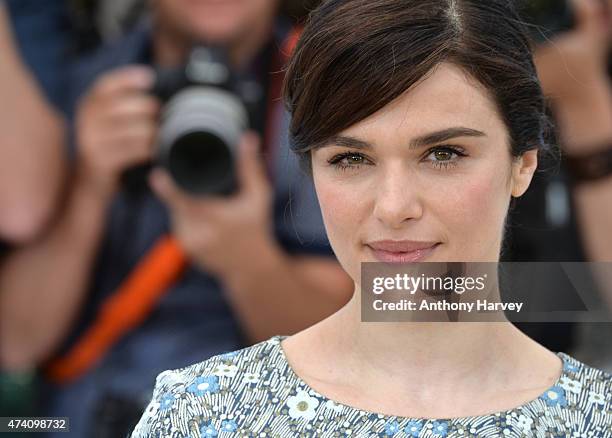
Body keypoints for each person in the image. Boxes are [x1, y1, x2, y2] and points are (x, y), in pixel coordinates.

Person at [131, 0, 612, 436]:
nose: (395, 207)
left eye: (443, 154)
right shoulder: (199, 413)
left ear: (522, 162)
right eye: (351, 160)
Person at [0, 0, 352, 436]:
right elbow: (15, 342)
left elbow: (356, 335)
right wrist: (87, 193)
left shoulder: (330, 97)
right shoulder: (89, 84)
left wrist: (247, 260)